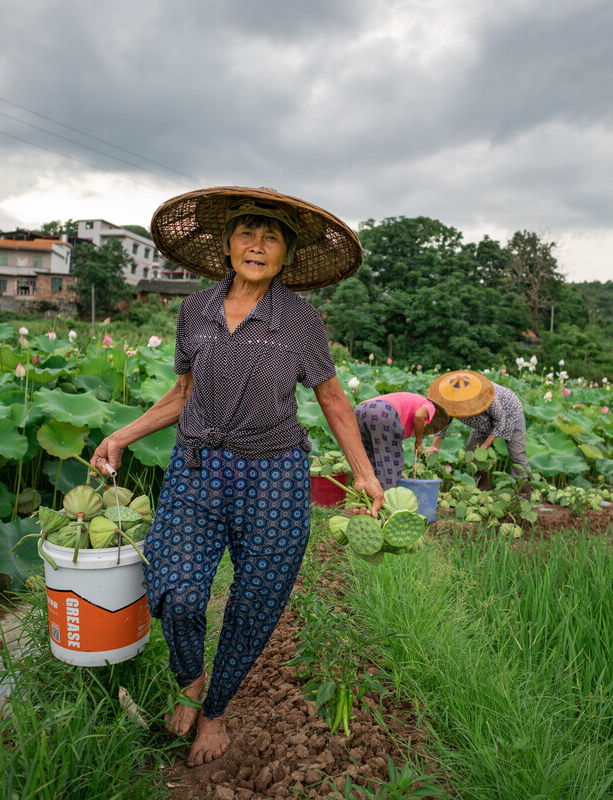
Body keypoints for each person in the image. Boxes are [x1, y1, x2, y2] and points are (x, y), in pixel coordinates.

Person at [90, 186, 384, 767]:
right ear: (226, 246)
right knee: (176, 593)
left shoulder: (300, 319)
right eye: (247, 233)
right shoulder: (194, 311)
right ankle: (189, 678)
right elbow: (183, 394)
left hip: (274, 474)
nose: (257, 245)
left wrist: (366, 476)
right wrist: (121, 435)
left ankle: (215, 710)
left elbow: (331, 399)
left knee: (255, 602)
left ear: (286, 256)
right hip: (197, 467)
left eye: (272, 237)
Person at [425, 369, 530, 489]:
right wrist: (435, 447)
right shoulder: (450, 401)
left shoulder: (486, 396)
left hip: (510, 414)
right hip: (483, 423)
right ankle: (483, 488)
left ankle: (524, 492)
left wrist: (485, 446)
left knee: (517, 455)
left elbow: (500, 422)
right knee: (472, 449)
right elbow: (442, 424)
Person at [354, 392, 450, 489]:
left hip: (359, 411)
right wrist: (419, 442)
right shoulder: (430, 406)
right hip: (382, 412)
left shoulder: (411, 400)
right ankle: (388, 499)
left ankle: (365, 498)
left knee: (369, 460)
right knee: (391, 464)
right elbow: (419, 416)